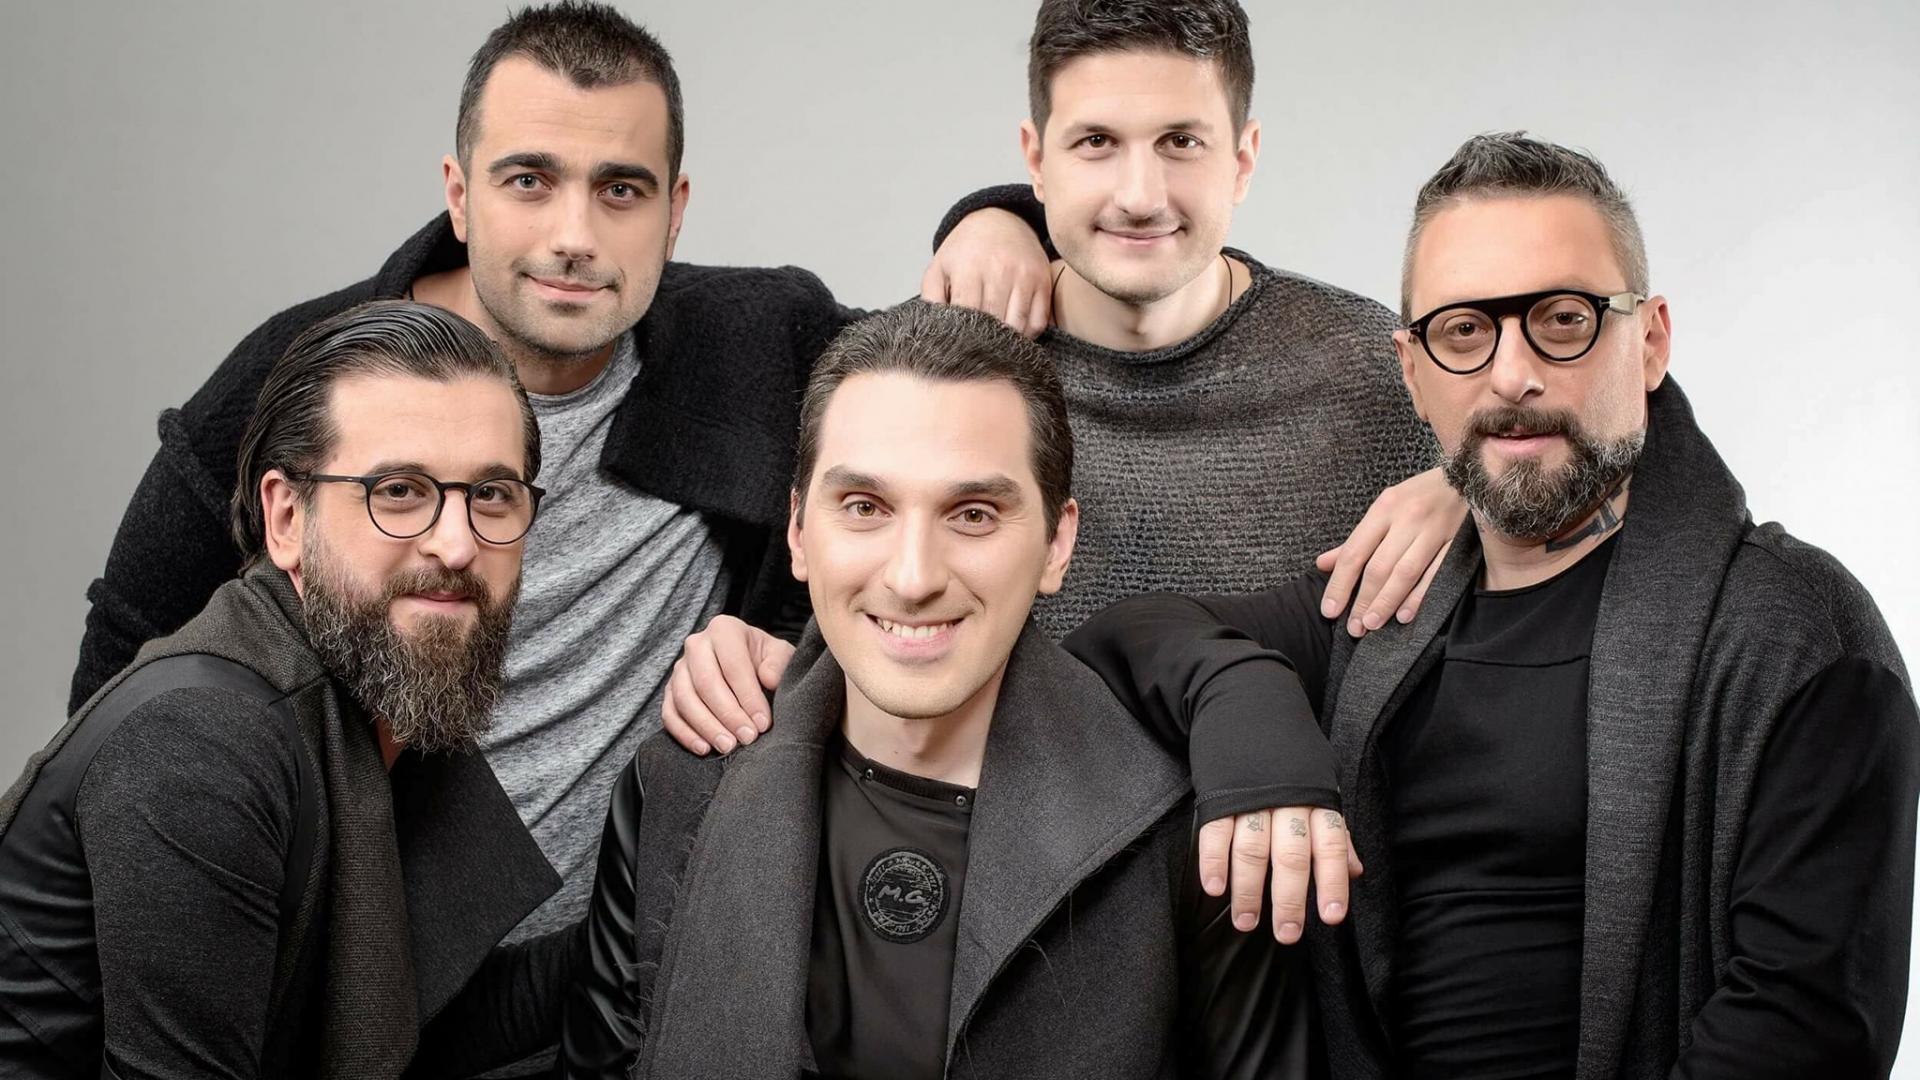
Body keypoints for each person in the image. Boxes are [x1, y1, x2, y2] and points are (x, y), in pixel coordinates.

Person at [63, 1, 1057, 994]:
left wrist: (1001, 217)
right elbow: (130, 674)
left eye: (620, 189)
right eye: (529, 181)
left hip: (615, 981)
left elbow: (956, 388)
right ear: (460, 196)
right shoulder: (310, 380)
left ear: (674, 209)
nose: (575, 236)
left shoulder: (756, 344)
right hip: (332, 987)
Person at [1064, 133, 1920, 1078]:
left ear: (1651, 342)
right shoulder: (1386, 606)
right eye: (1465, 331)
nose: (1513, 374)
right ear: (1412, 373)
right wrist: (1257, 734)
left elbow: (1803, 1033)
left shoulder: (1793, 633)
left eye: (1563, 319)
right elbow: (1116, 644)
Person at [660, 0, 1451, 942]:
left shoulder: (1377, 375)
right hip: (1004, 948)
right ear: (1034, 161)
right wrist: (752, 655)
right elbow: (851, 622)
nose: (1140, 194)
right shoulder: (942, 374)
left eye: (1182, 142)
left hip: (1287, 940)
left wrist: (1473, 490)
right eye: (1096, 143)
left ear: (1244, 157)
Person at [559, 303, 1313, 1080]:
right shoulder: (673, 787)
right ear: (798, 532)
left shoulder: (1195, 833)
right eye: (865, 508)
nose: (913, 577)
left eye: (973, 514)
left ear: (1057, 544)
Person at [0, 302, 571, 1079]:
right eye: (399, 490)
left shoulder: (374, 685)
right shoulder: (203, 740)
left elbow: (418, 1028)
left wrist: (664, 883)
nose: (457, 544)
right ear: (287, 517)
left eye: (492, 495)